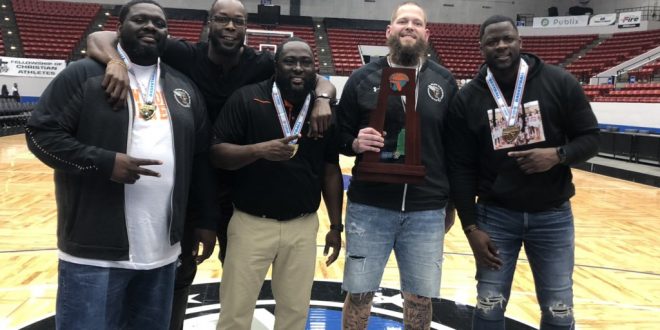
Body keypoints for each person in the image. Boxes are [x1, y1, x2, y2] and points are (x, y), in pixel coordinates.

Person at [86, 0, 336, 328]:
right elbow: (101, 37)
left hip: (243, 187)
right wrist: (116, 62)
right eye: (223, 20)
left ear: (247, 28)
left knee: (237, 275)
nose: (230, 28)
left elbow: (311, 73)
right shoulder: (184, 54)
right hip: (192, 180)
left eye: (238, 22)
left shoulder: (261, 63)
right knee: (180, 268)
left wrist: (322, 98)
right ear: (210, 23)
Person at [25, 1, 216, 328]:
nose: (151, 27)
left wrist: (204, 219)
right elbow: (40, 135)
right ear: (119, 27)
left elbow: (199, 162)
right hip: (93, 253)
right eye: (140, 20)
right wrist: (103, 162)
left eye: (159, 23)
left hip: (162, 254)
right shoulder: (84, 75)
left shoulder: (183, 88)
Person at [446, 15, 599, 330]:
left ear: (520, 41)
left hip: (553, 217)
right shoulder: (468, 98)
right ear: (481, 48)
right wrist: (471, 227)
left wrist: (558, 155)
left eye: (507, 39)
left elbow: (591, 138)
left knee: (559, 310)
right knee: (488, 306)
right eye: (492, 41)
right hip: (495, 217)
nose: (501, 46)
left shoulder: (559, 82)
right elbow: (460, 168)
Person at [336, 2, 457, 329]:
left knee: (420, 298)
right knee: (359, 294)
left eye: (417, 22)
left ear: (426, 34)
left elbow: (455, 148)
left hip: (426, 210)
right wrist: (354, 143)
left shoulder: (444, 82)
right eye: (402, 21)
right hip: (369, 207)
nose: (409, 26)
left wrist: (453, 204)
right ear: (389, 31)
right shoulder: (362, 79)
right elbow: (338, 134)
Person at [210, 37, 343, 330]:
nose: (298, 68)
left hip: (302, 226)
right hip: (250, 224)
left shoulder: (324, 109)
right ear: (276, 66)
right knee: (234, 312)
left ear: (315, 69)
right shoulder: (246, 98)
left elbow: (331, 170)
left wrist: (335, 226)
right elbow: (217, 153)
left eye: (305, 62)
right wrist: (259, 150)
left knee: (294, 313)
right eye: (290, 61)